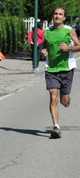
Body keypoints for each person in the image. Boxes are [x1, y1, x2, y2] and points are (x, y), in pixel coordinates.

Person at [41, 7, 80, 139]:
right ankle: (56, 127)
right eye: (55, 14)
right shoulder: (47, 31)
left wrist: (69, 48)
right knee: (53, 97)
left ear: (64, 17)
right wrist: (44, 51)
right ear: (53, 16)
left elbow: (78, 45)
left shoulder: (69, 30)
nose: (57, 16)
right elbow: (44, 45)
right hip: (51, 69)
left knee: (64, 101)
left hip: (66, 69)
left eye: (60, 14)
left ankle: (67, 98)